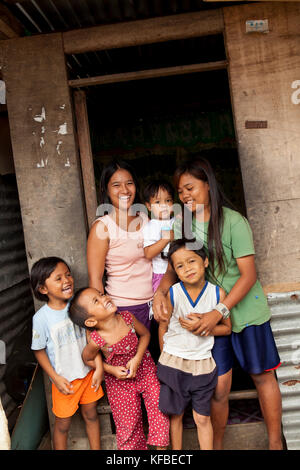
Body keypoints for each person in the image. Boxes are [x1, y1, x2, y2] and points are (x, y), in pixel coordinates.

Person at [153, 157, 282, 450]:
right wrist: (160, 293)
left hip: (244, 313)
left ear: (208, 185)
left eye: (190, 188)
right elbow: (172, 270)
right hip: (210, 321)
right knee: (219, 388)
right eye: (180, 191)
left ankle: (276, 444)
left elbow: (248, 276)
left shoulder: (234, 222)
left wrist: (218, 311)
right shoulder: (180, 223)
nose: (185, 196)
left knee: (262, 376)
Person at [68, 287, 170, 450]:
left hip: (145, 369)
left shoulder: (127, 318)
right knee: (128, 424)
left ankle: (161, 450)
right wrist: (110, 370)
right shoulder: (97, 339)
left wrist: (137, 358)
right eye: (97, 301)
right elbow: (87, 359)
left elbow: (145, 335)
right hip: (120, 383)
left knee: (159, 408)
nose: (104, 298)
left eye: (101, 295)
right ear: (91, 321)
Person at [157, 239, 231, 450]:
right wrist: (165, 357)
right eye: (180, 266)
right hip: (173, 363)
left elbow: (227, 328)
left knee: (202, 418)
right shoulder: (172, 293)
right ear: (175, 271)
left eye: (192, 261)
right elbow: (162, 328)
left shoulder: (218, 294)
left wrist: (203, 326)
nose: (187, 268)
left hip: (202, 365)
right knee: (176, 416)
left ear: (205, 261)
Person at [30, 257, 104, 450]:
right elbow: (38, 351)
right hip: (65, 381)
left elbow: (92, 338)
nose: (67, 280)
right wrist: (55, 378)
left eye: (68, 275)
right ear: (43, 289)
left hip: (88, 374)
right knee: (62, 425)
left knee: (91, 415)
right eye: (58, 278)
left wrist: (98, 367)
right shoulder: (41, 318)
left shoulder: (78, 306)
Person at [87, 160, 153, 332]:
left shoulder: (145, 219)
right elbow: (95, 279)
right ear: (106, 189)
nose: (124, 190)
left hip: (155, 306)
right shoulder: (102, 227)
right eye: (116, 185)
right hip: (124, 309)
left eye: (129, 183)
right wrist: (104, 321)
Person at [142, 179, 175, 292]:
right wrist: (165, 239)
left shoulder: (176, 222)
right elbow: (148, 253)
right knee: (163, 305)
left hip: (180, 273)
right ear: (149, 206)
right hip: (161, 274)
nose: (164, 206)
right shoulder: (150, 227)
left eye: (168, 200)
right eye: (157, 202)